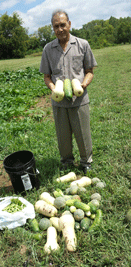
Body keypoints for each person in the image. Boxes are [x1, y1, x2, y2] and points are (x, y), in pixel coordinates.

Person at [39, 10, 97, 174]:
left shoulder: (82, 44)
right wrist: (54, 89)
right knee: (63, 136)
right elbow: (47, 76)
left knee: (83, 134)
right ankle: (67, 162)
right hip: (59, 101)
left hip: (79, 99)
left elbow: (90, 71)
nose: (60, 29)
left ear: (69, 24)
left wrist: (82, 86)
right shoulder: (48, 49)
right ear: (53, 28)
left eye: (62, 25)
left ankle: (86, 162)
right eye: (56, 26)